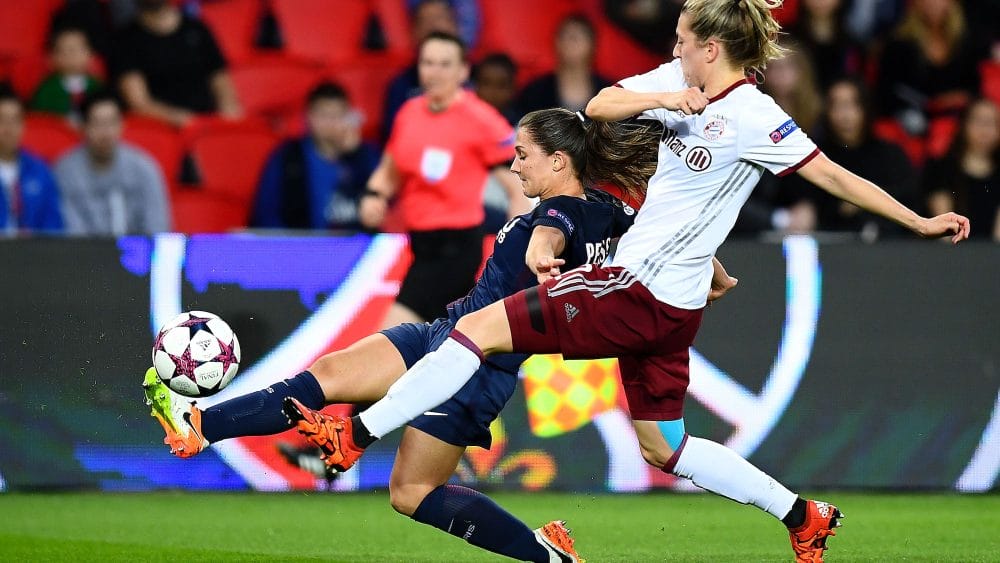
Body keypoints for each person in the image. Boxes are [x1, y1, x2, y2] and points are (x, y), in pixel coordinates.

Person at [287, 2, 971, 562]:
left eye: (681, 38)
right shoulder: (681, 77)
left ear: (712, 46)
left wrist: (916, 218)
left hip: (636, 286)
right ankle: (802, 515)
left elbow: (831, 174)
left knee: (476, 329)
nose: (673, 45)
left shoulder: (757, 117)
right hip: (672, 306)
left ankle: (355, 435)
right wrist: (673, 95)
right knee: (662, 445)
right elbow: (605, 103)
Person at [142, 108, 703, 562]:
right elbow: (649, 239)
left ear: (558, 160)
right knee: (327, 376)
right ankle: (197, 428)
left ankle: (544, 557)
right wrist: (707, 264)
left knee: (411, 493)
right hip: (444, 332)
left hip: (475, 367)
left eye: (523, 155)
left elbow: (551, 238)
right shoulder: (607, 212)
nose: (513, 166)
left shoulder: (559, 214)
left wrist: (543, 255)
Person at [363, 31, 531, 330]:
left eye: (444, 64)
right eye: (428, 63)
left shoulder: (481, 119)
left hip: (455, 250)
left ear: (463, 71)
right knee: (445, 348)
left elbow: (518, 184)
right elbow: (390, 169)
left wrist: (516, 246)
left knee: (388, 340)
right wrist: (374, 195)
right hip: (420, 247)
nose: (434, 72)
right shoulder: (409, 113)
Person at [249, 82, 380, 231]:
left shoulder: (366, 155)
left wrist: (358, 154)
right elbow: (266, 215)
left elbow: (384, 201)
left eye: (338, 115)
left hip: (356, 245)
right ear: (309, 117)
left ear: (349, 117)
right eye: (323, 115)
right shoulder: (287, 158)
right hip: (302, 247)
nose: (331, 123)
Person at [55, 91, 172, 235]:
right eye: (97, 123)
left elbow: (158, 227)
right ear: (83, 127)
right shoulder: (65, 171)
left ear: (122, 125)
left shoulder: (144, 168)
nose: (106, 133)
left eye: (112, 122)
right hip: (84, 254)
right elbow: (71, 233)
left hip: (136, 254)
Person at [111, 0, 241, 127]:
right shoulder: (126, 41)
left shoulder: (197, 28)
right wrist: (182, 119)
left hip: (208, 120)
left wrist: (228, 109)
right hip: (163, 127)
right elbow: (138, 102)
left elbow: (220, 77)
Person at [874, 0, 983, 136]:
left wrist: (957, 98)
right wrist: (928, 105)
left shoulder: (964, 41)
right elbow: (886, 92)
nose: (934, 3)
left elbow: (975, 87)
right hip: (913, 117)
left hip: (955, 116)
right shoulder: (899, 44)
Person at [381, 0, 460, 142]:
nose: (433, 26)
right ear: (414, 31)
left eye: (439, 18)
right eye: (425, 20)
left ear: (454, 24)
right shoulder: (400, 87)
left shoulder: (482, 78)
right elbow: (394, 140)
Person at [924, 98, 1000, 241]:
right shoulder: (941, 170)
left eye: (992, 123)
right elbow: (945, 231)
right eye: (978, 121)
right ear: (964, 125)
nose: (985, 129)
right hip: (953, 255)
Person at [516, 14, 614, 116]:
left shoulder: (609, 92)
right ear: (555, 43)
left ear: (593, 45)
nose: (571, 43)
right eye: (565, 36)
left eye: (577, 37)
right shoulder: (535, 91)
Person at [0, 87, 63, 235]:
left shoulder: (39, 170)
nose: (9, 129)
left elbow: (53, 225)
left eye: (15, 120)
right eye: (2, 120)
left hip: (34, 254)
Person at [29, 26, 104, 124]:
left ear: (90, 54)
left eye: (75, 49)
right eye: (63, 50)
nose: (70, 55)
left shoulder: (97, 86)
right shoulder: (46, 89)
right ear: (51, 58)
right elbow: (38, 121)